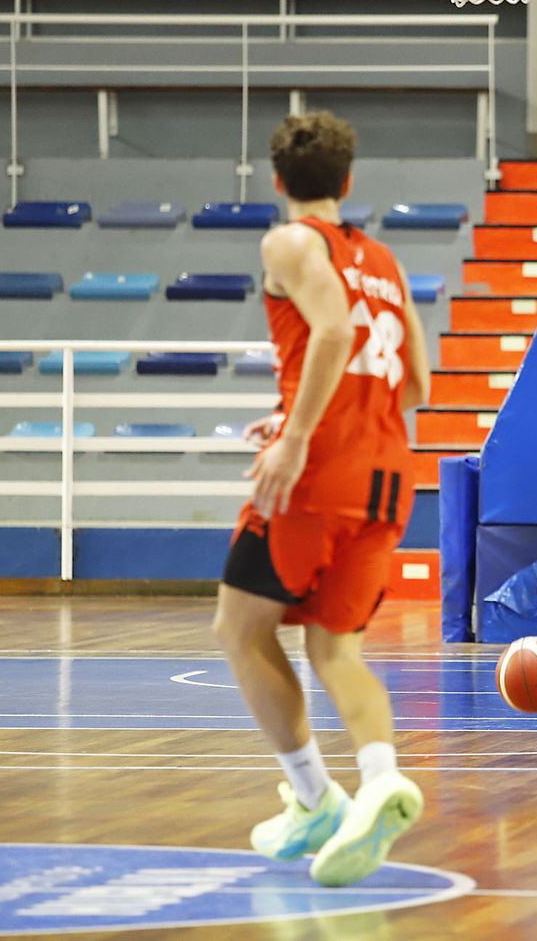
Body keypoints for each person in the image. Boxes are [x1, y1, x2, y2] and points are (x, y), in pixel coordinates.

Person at [214, 111, 431, 887]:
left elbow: (333, 334)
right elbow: (416, 382)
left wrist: (298, 434)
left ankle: (315, 798)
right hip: (388, 474)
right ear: (348, 181)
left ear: (278, 182)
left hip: (320, 477)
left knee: (238, 627)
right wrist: (309, 415)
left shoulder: (286, 242)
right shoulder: (385, 259)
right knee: (336, 649)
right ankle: (379, 784)